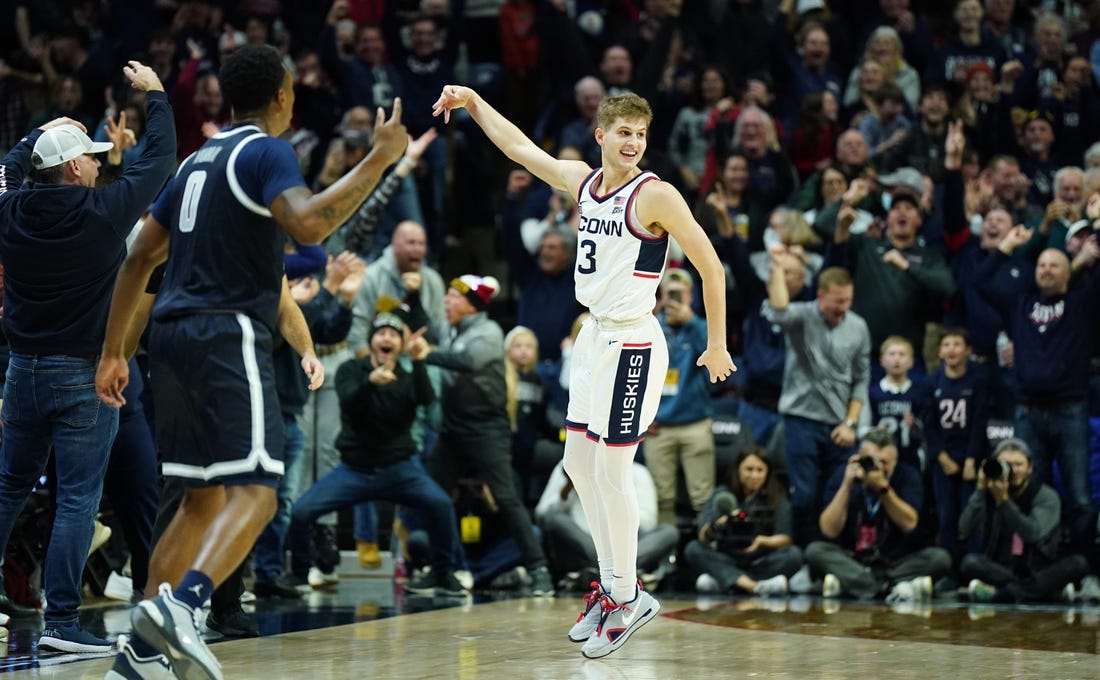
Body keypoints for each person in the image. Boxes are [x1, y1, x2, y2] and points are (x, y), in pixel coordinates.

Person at [94, 44, 407, 679]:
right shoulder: (266, 150)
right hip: (224, 332)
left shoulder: (196, 162)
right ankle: (186, 606)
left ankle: (143, 655)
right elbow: (310, 225)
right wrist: (379, 158)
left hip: (170, 340)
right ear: (283, 97)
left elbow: (137, 258)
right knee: (260, 491)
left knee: (201, 501)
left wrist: (112, 352)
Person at [432, 86, 734, 659]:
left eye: (641, 135)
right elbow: (519, 148)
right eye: (624, 132)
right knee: (577, 463)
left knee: (614, 469)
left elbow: (711, 266)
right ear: (601, 135)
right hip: (593, 337)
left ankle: (629, 595)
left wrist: (716, 343)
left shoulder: (657, 195)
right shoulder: (582, 182)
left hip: (633, 339)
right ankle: (612, 584)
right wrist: (473, 102)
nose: (633, 143)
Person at [0, 60, 174, 653]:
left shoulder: (11, 213)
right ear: (75, 168)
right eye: (93, 157)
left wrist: (32, 137)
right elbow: (158, 162)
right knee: (78, 498)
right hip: (83, 377)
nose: (102, 163)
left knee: (7, 488)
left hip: (21, 373)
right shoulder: (102, 214)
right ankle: (61, 626)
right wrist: (155, 97)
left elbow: (5, 172)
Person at [287, 312, 466, 597]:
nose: (386, 338)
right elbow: (348, 400)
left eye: (394, 335)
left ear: (401, 345)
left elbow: (427, 401)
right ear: (371, 341)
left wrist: (420, 361)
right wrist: (370, 382)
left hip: (398, 470)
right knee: (301, 512)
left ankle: (444, 574)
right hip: (353, 470)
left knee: (441, 505)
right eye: (381, 333)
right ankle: (298, 575)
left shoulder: (408, 376)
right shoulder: (350, 369)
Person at [764, 261, 871, 546]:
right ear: (821, 295)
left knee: (842, 492)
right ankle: (802, 559)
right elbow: (777, 310)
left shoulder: (858, 327)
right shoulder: (801, 316)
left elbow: (861, 380)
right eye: (837, 301)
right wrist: (776, 269)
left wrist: (850, 423)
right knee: (804, 496)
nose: (843, 307)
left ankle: (837, 557)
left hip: (841, 425)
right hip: (801, 419)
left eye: (848, 300)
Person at [805, 431, 952, 602]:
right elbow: (829, 530)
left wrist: (883, 487)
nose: (879, 467)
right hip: (854, 562)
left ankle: (857, 586)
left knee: (940, 558)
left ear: (895, 462)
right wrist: (846, 485)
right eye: (872, 461)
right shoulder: (843, 476)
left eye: (885, 462)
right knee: (815, 551)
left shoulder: (907, 476)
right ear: (859, 458)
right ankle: (890, 588)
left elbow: (909, 523)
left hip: (895, 562)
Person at [961, 439, 1090, 603]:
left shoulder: (1046, 496)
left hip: (1039, 569)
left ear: (1030, 467)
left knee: (1079, 563)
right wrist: (980, 490)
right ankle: (1047, 593)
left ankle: (1000, 595)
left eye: (1018, 464)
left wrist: (1003, 501)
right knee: (969, 562)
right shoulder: (988, 493)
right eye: (1006, 464)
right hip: (1001, 570)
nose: (1013, 470)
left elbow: (1032, 533)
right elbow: (964, 530)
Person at [645, 269, 716, 526]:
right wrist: (641, 417)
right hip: (657, 427)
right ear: (660, 296)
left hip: (694, 422)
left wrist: (693, 321)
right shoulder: (649, 327)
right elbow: (636, 373)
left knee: (702, 498)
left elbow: (714, 359)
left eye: (680, 294)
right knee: (661, 498)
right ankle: (664, 560)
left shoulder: (701, 327)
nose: (674, 300)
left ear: (691, 296)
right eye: (669, 293)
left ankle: (707, 553)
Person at [684, 446, 802, 597]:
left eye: (760, 470)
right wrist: (721, 523)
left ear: (767, 473)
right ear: (738, 470)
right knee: (693, 549)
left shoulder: (777, 498)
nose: (754, 475)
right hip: (726, 555)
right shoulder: (722, 495)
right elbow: (702, 535)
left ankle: (727, 581)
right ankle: (754, 586)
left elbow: (785, 538)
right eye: (749, 469)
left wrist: (763, 541)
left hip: (759, 559)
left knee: (794, 555)